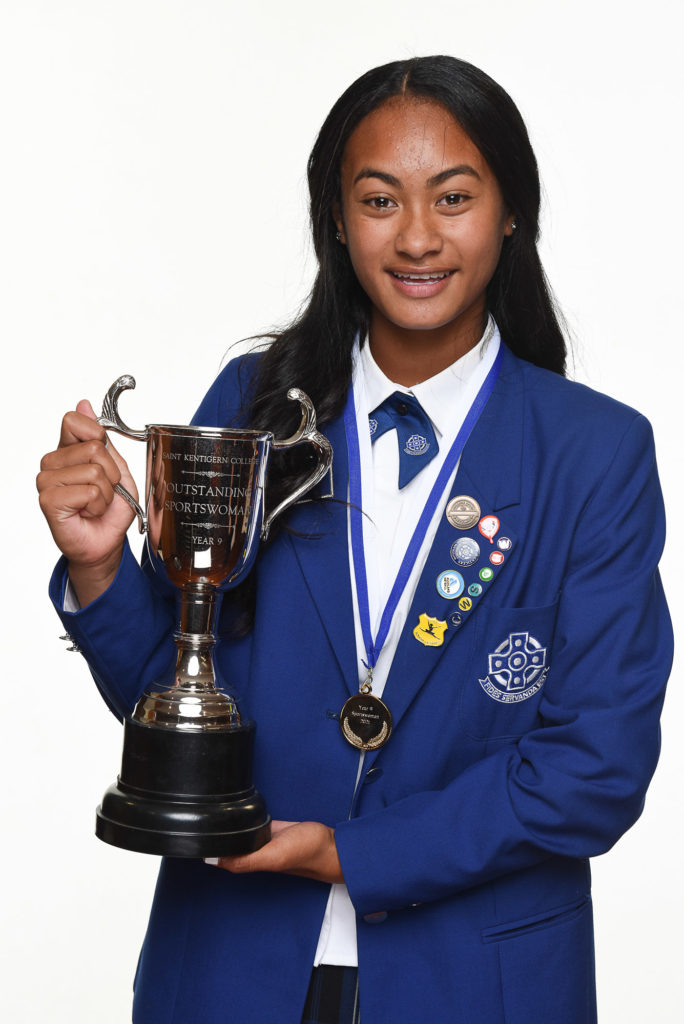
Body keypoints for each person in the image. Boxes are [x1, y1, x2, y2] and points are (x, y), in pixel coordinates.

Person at [37, 56, 672, 1024]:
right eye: (380, 199)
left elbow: (596, 768)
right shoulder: (253, 409)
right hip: (227, 970)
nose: (417, 236)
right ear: (336, 219)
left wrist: (351, 853)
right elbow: (175, 713)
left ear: (511, 210)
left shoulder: (594, 452)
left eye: (453, 197)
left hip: (479, 984)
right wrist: (97, 566)